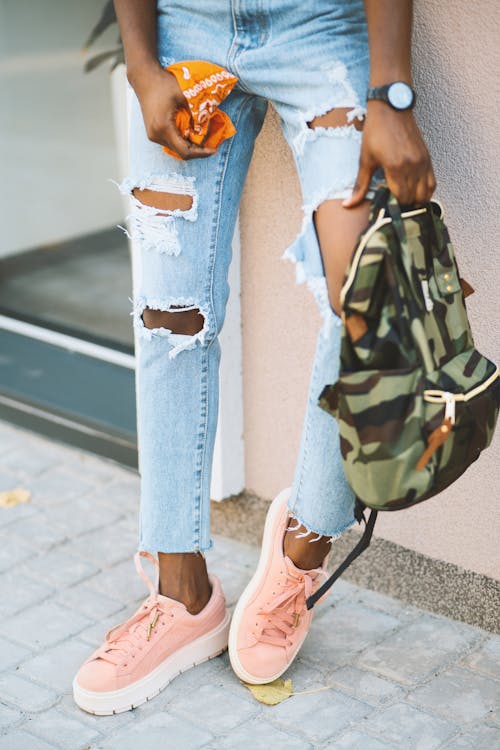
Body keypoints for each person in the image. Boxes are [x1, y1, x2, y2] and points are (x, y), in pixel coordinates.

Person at [73, 0, 435, 714]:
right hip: (185, 26)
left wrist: (392, 92)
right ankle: (182, 596)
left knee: (368, 290)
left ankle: (304, 545)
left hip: (321, 26)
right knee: (168, 316)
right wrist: (143, 64)